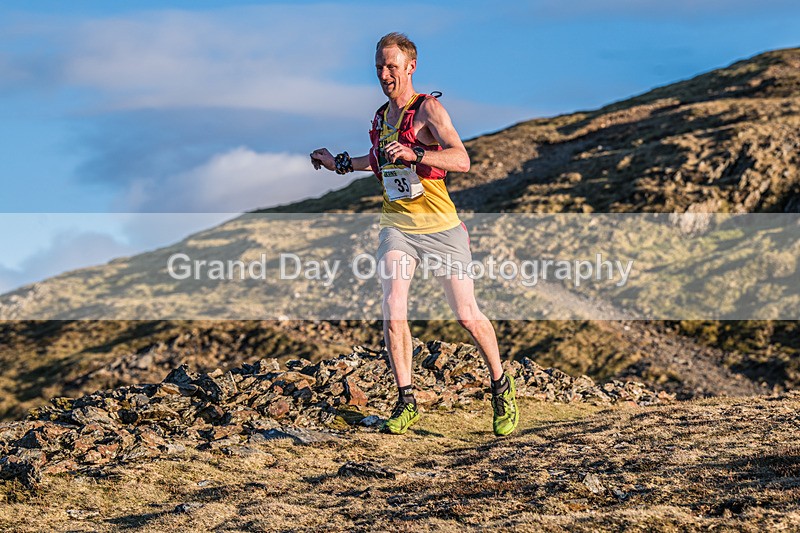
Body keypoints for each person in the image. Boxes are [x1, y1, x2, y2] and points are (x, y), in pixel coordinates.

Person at [310, 32, 518, 437]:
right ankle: (406, 401)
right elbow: (374, 161)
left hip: (441, 228)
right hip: (397, 226)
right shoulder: (379, 118)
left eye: (391, 66)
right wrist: (335, 161)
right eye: (379, 67)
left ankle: (500, 386)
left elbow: (462, 159)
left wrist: (417, 153)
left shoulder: (428, 110)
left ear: (410, 67)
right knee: (393, 308)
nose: (385, 74)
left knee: (466, 315)